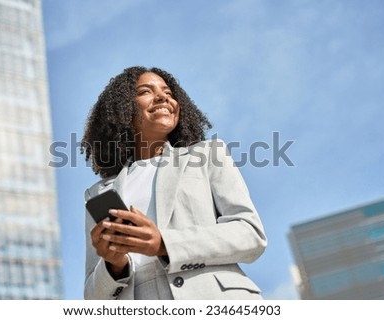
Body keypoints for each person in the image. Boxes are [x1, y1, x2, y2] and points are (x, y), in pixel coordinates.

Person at [81, 66, 267, 300]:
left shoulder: (208, 155)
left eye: (168, 93)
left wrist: (164, 244)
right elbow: (92, 296)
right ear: (123, 110)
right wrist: (114, 265)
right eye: (146, 91)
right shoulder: (98, 194)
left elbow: (250, 234)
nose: (162, 97)